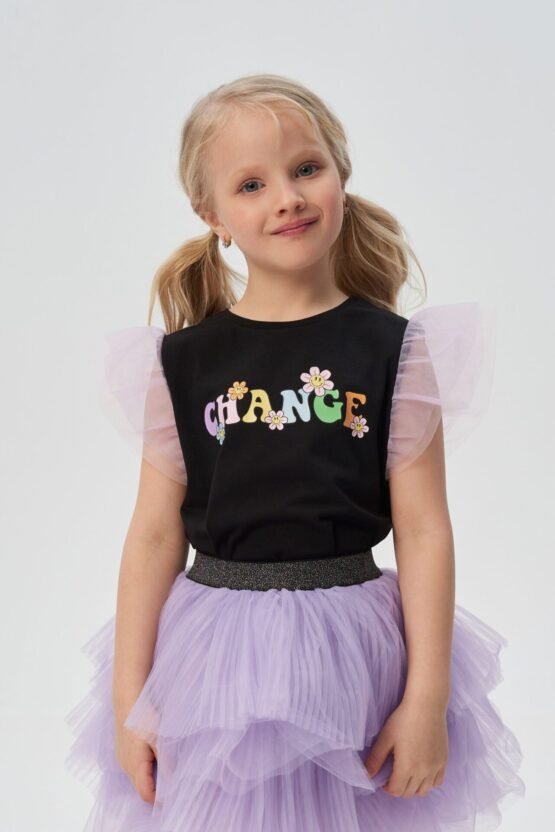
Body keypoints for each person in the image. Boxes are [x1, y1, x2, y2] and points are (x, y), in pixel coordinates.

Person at [65, 73, 525, 831]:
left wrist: (426, 696)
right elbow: (152, 536)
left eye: (306, 168)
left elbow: (422, 529)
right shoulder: (182, 363)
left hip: (351, 659)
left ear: (341, 174)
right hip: (216, 662)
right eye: (252, 184)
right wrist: (128, 702)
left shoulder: (394, 351)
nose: (287, 198)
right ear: (213, 215)